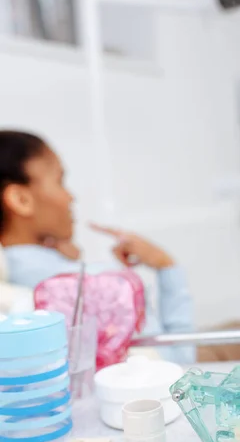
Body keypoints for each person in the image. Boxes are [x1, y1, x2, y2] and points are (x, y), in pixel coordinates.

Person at [0, 130, 195, 364]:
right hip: (186, 359)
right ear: (21, 200)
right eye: (60, 181)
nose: (70, 197)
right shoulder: (82, 283)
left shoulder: (24, 271)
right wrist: (165, 265)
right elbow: (182, 358)